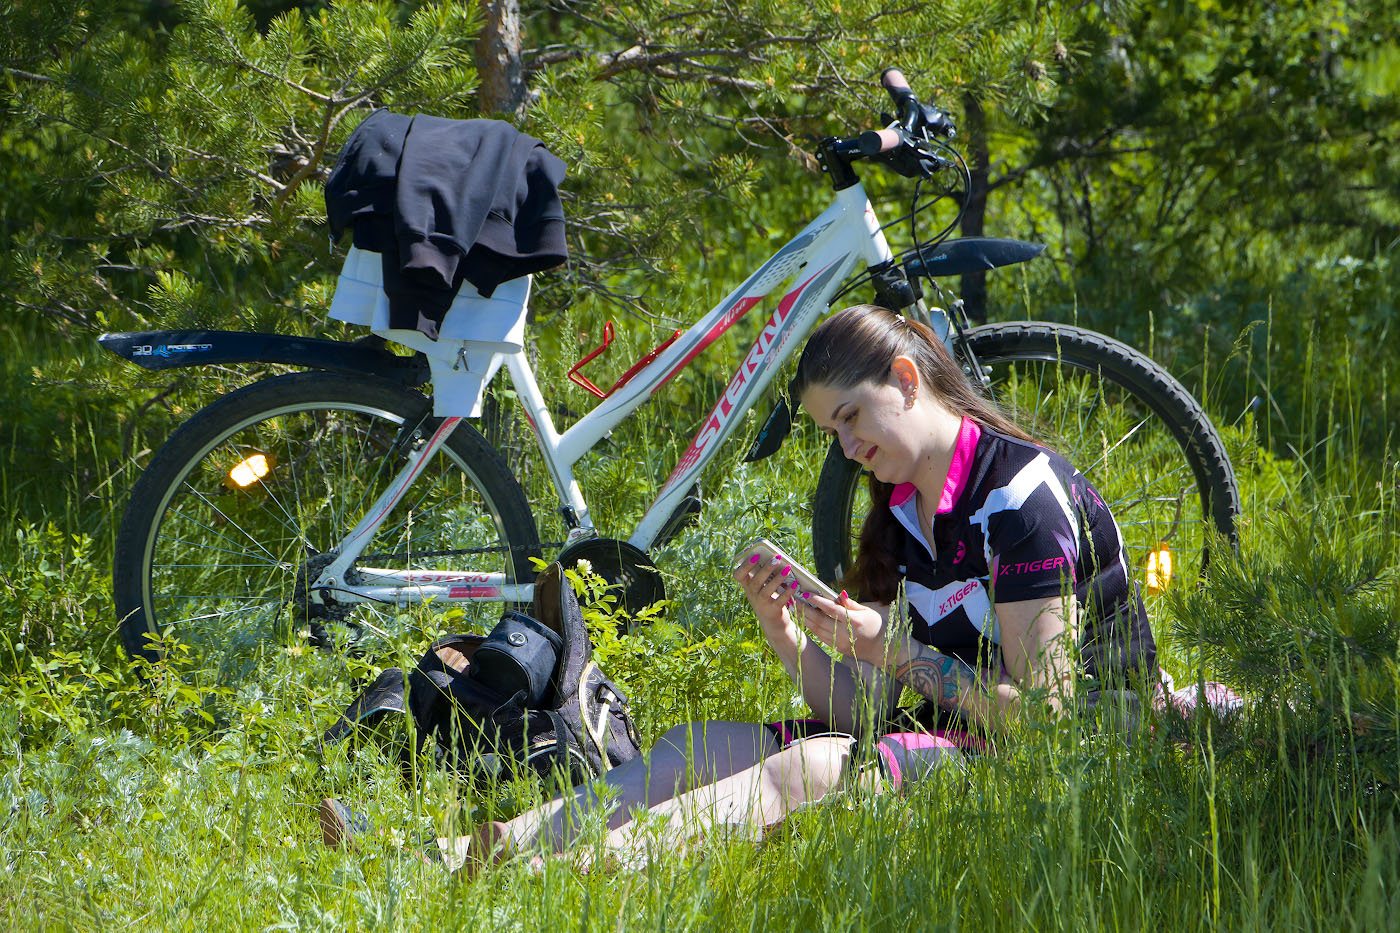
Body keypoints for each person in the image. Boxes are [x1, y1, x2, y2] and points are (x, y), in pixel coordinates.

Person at [320, 303, 1158, 871]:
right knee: (699, 746)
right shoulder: (907, 506)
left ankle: (546, 885)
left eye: (852, 418)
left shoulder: (1020, 498)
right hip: (962, 736)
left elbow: (1047, 727)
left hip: (1078, 765)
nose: (847, 447)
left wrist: (892, 648)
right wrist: (790, 638)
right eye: (834, 432)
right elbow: (867, 712)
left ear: (907, 380)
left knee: (796, 773)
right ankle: (448, 857)